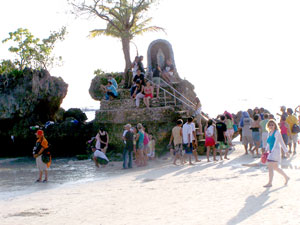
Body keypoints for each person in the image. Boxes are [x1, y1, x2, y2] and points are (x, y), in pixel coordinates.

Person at [263, 119, 290, 188]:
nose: (271, 126)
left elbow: (281, 142)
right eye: (270, 125)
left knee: (270, 167)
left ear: (275, 125)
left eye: (272, 125)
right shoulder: (269, 133)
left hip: (275, 152)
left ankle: (270, 183)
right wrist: (266, 150)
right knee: (276, 168)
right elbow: (268, 143)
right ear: (268, 126)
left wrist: (286, 151)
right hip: (271, 152)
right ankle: (286, 177)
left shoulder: (277, 132)